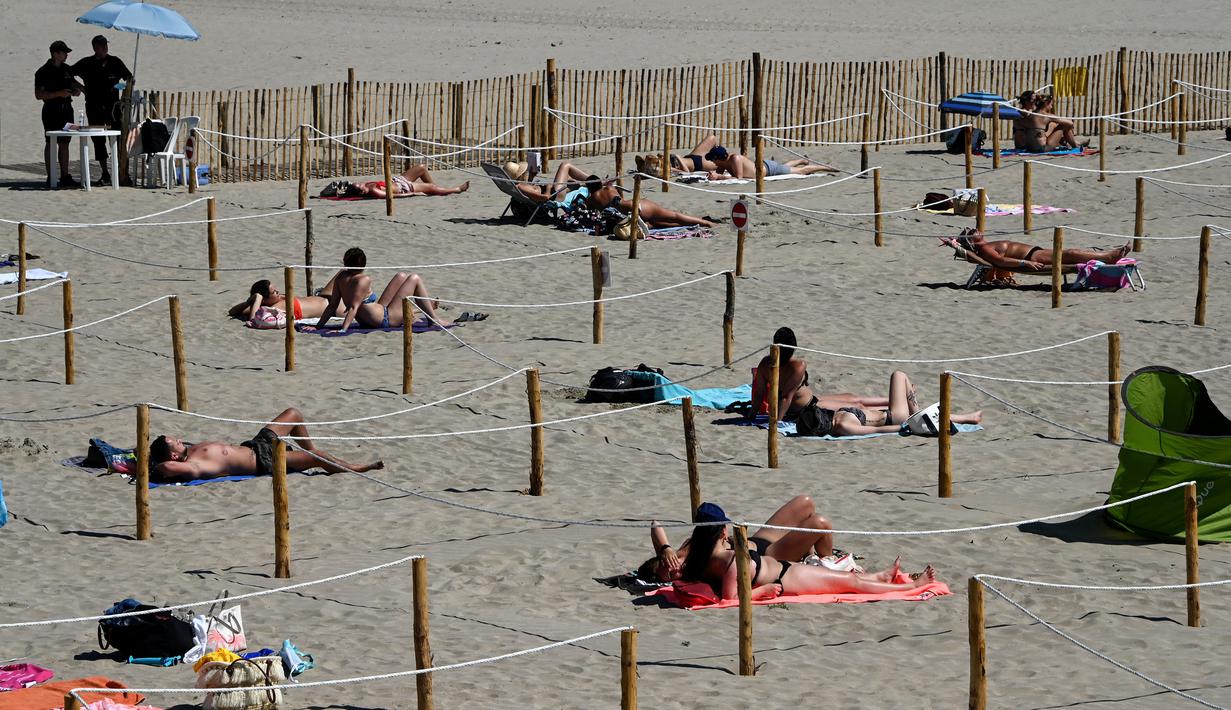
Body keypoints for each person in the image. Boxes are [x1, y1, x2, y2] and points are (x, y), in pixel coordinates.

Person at [747, 327, 982, 436]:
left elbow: (759, 392)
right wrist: (774, 421)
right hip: (810, 407)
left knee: (856, 400)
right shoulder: (798, 367)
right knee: (891, 383)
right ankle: (915, 407)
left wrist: (754, 415)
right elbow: (786, 397)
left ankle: (913, 404)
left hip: (821, 406)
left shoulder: (768, 362)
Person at [678, 502, 936, 600]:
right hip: (785, 576)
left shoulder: (700, 557)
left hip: (782, 568)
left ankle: (879, 577)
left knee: (850, 581)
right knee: (851, 582)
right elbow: (732, 597)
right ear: (723, 531)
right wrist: (762, 592)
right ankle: (909, 588)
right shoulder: (732, 560)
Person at [149, 407, 383, 483]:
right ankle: (355, 467)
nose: (179, 440)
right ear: (174, 457)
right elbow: (165, 469)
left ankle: (308, 449)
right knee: (317, 458)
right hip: (263, 461)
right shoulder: (193, 465)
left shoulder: (191, 449)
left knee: (293, 414)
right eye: (174, 443)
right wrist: (153, 466)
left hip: (256, 445)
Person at [639, 496, 839, 583]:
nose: (674, 569)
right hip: (768, 557)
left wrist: (665, 548)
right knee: (820, 524)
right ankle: (829, 563)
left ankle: (809, 553)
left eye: (668, 564)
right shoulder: (694, 569)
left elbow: (655, 524)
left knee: (805, 502)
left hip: (757, 539)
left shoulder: (681, 550)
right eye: (671, 574)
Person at [304, 247, 481, 333]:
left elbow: (332, 305)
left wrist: (319, 326)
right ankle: (432, 319)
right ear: (363, 265)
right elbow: (354, 307)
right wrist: (343, 329)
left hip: (378, 312)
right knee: (414, 278)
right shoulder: (363, 279)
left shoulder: (341, 277)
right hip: (385, 319)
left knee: (401, 276)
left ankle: (424, 309)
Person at [71, 35, 131, 185]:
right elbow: (68, 73)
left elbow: (129, 78)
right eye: (101, 46)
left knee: (118, 138)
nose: (104, 48)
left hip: (113, 107)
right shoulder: (87, 63)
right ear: (95, 48)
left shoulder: (115, 62)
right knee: (98, 140)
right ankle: (105, 173)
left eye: (105, 45)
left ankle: (121, 173)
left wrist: (123, 91)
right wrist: (82, 88)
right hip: (94, 106)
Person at [941, 229, 1131, 271]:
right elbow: (1002, 262)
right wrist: (1026, 262)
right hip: (1032, 256)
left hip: (1033, 252)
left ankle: (1108, 256)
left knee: (1070, 253)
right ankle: (1109, 256)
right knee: (1070, 254)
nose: (972, 229)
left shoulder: (986, 245)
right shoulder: (984, 250)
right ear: (972, 243)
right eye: (968, 233)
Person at [227, 274, 378, 324]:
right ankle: (367, 296)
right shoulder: (269, 310)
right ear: (264, 299)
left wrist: (251, 299)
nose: (278, 292)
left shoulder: (277, 301)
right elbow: (247, 316)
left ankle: (365, 293)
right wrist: (255, 299)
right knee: (365, 301)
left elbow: (232, 311)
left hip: (323, 297)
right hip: (333, 307)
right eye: (274, 292)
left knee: (345, 272)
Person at [35, 40, 83, 188]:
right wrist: (58, 94)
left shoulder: (67, 69)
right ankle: (51, 176)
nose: (66, 55)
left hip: (67, 109)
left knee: (65, 142)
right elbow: (38, 94)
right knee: (50, 142)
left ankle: (65, 175)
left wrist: (76, 91)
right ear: (55, 54)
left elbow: (75, 85)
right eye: (64, 52)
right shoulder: (43, 71)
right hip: (51, 110)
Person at [583, 176, 716, 228]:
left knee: (657, 224)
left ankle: (700, 223)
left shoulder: (590, 200)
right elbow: (613, 188)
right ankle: (704, 222)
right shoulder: (609, 188)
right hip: (636, 206)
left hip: (626, 219)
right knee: (673, 215)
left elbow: (585, 208)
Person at [704, 145, 836, 180]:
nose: (712, 162)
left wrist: (718, 176)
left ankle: (826, 167)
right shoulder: (722, 163)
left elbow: (738, 178)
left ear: (717, 158)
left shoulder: (735, 159)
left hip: (769, 170)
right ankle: (801, 160)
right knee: (784, 167)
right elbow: (719, 175)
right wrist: (713, 175)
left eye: (712, 159)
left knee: (801, 172)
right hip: (766, 166)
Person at [1012, 91, 1086, 152]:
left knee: (1053, 125)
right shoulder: (1044, 115)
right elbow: (1070, 123)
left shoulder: (1029, 114)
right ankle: (1075, 145)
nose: (1052, 107)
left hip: (1029, 147)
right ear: (1046, 104)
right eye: (1051, 104)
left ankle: (1073, 143)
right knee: (1064, 125)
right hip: (1038, 148)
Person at [342, 165, 469, 198]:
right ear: (361, 192)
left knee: (422, 168)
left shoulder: (366, 186)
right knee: (429, 186)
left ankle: (435, 189)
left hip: (398, 180)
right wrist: (414, 194)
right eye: (361, 186)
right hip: (405, 187)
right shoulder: (374, 191)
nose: (362, 184)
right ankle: (456, 190)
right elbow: (393, 196)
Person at [635, 134, 725, 175]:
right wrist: (678, 157)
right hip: (699, 164)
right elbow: (686, 172)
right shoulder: (667, 168)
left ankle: (717, 152)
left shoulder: (662, 161)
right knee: (721, 163)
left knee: (711, 137)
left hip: (692, 156)